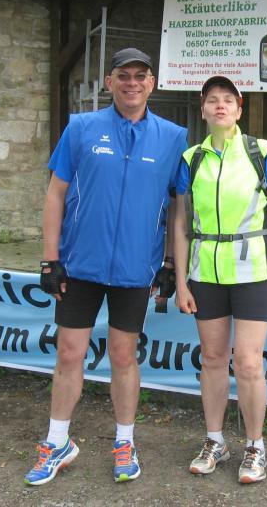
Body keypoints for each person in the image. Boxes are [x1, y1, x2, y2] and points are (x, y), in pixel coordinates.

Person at [24, 48, 187, 486]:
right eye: (123, 76)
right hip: (80, 266)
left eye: (140, 76)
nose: (132, 83)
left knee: (123, 355)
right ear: (110, 82)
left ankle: (125, 442)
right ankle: (57, 441)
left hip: (136, 268)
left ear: (152, 83)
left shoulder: (174, 137)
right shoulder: (81, 127)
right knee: (69, 352)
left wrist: (170, 262)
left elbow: (178, 206)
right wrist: (50, 259)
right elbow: (55, 194)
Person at [173, 75, 267, 484]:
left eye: (228, 100)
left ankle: (255, 446)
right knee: (211, 359)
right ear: (203, 109)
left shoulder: (262, 152)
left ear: (240, 109)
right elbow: (180, 223)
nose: (220, 106)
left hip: (254, 271)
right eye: (212, 100)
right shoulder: (192, 158)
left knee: (247, 362)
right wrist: (181, 281)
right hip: (205, 272)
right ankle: (215, 441)